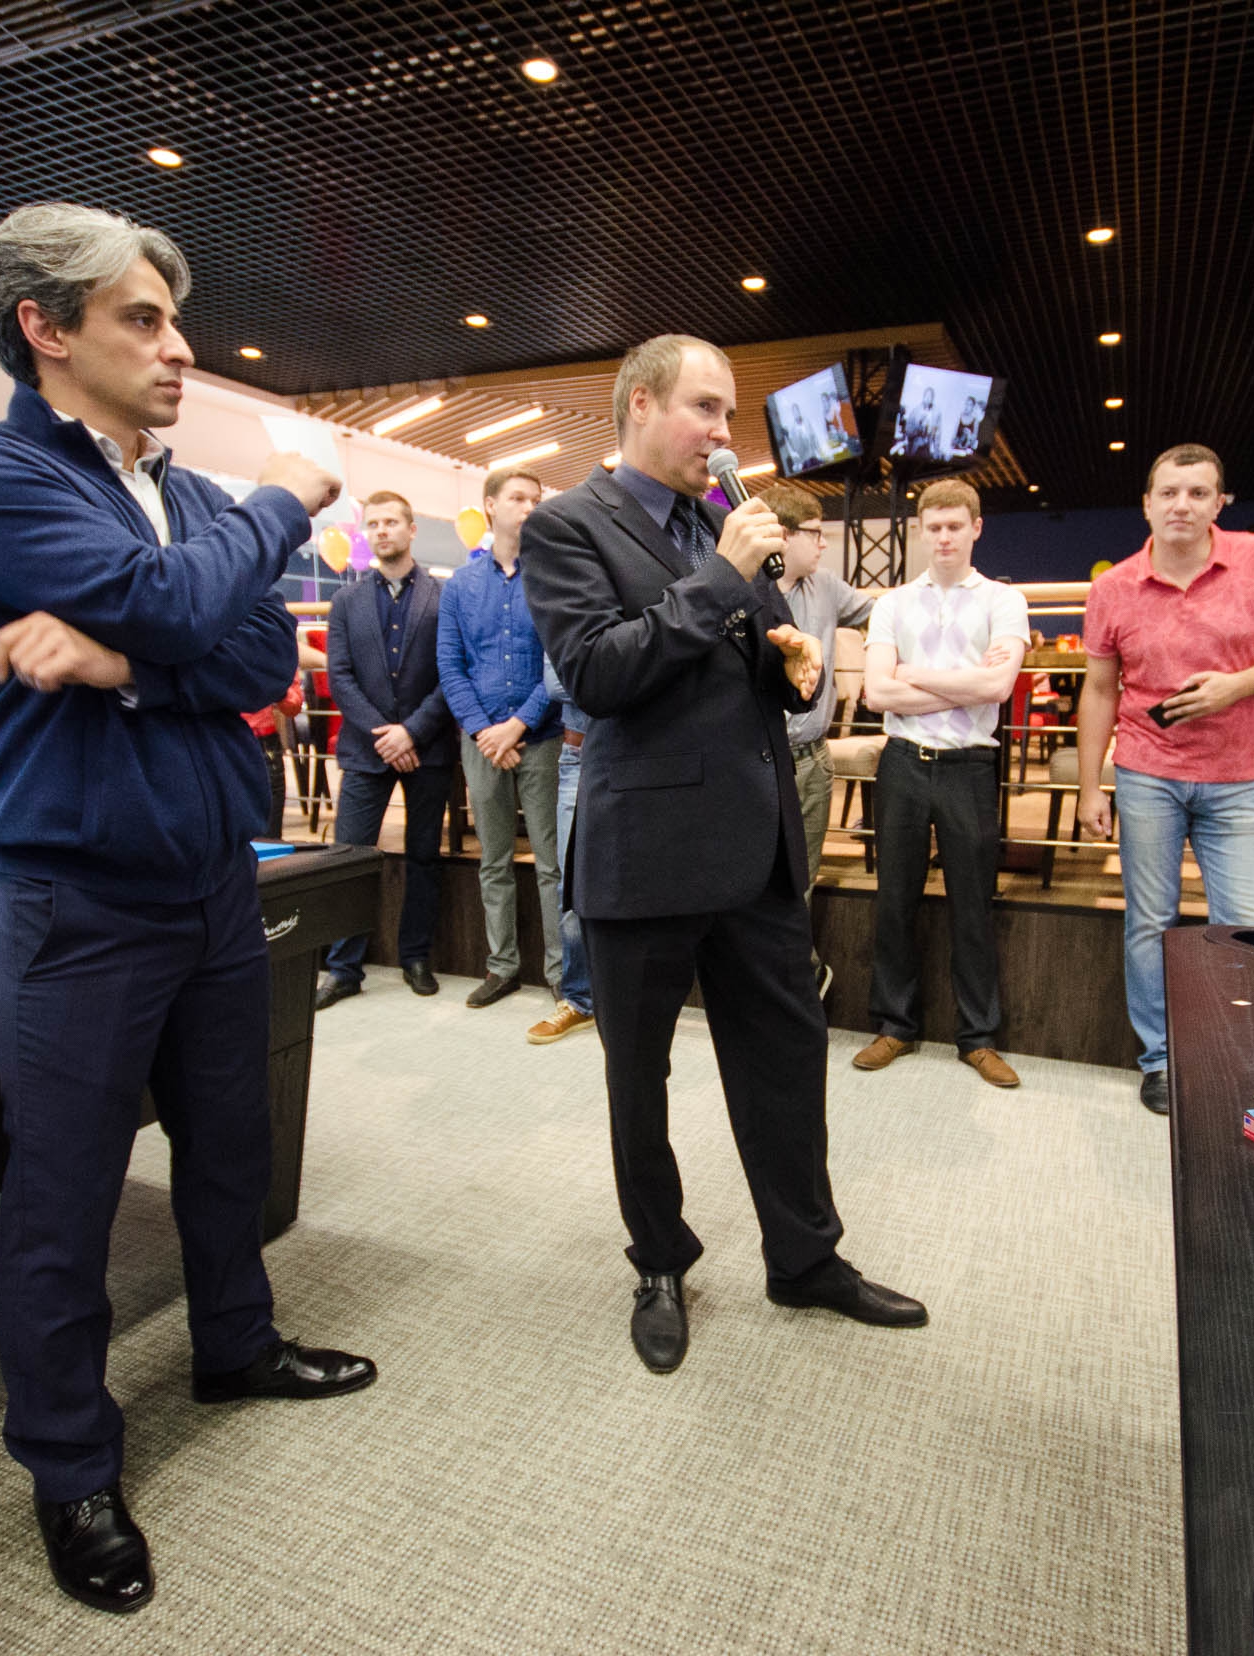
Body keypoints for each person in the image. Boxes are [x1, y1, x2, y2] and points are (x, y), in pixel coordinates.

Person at [0, 201, 372, 1616]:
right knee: (65, 1194)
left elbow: (253, 658)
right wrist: (286, 500)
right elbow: (176, 605)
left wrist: (123, 664)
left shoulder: (192, 496)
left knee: (231, 1146)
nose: (180, 349)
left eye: (177, 321)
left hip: (213, 878)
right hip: (75, 898)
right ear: (44, 328)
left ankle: (236, 1345)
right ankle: (70, 1468)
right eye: (142, 320)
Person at [523, 333, 927, 1375]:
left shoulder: (718, 522)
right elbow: (598, 676)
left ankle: (806, 1258)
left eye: (729, 412)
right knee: (639, 1080)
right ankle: (659, 1261)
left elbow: (743, 658)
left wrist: (790, 665)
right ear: (641, 403)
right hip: (644, 853)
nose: (723, 431)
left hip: (756, 852)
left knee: (787, 1061)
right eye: (705, 407)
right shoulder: (569, 525)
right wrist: (723, 576)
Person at [1074, 444, 1254, 1115]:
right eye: (1169, 493)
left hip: (1237, 776)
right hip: (1147, 772)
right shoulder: (1114, 586)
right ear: (1147, 504)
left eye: (1198, 493)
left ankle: (1240, 1055)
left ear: (1219, 503)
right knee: (1150, 920)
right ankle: (1160, 1059)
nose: (1182, 505)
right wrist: (1091, 787)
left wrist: (1236, 686)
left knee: (1246, 924)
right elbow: (1100, 690)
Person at [851, 479, 1027, 1089]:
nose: (945, 537)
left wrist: (911, 674)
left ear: (976, 528)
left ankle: (978, 1038)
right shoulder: (892, 604)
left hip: (969, 766)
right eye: (935, 527)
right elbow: (877, 693)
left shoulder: (1004, 601)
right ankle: (894, 1026)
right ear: (921, 531)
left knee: (973, 906)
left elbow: (996, 687)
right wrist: (962, 683)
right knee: (894, 900)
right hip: (903, 761)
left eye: (956, 526)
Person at [316, 490, 457, 1008]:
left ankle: (415, 957)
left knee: (423, 857)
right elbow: (339, 676)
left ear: (411, 529)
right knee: (349, 857)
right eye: (373, 524)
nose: (382, 531)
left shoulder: (445, 596)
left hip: (428, 746)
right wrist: (386, 734)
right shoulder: (345, 601)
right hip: (366, 748)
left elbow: (452, 673)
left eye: (391, 522)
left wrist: (412, 732)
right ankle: (343, 968)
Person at [438, 469, 564, 1009]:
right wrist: (485, 731)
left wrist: (518, 725)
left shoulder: (552, 579)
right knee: (493, 861)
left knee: (552, 864)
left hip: (542, 737)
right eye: (517, 498)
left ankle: (562, 973)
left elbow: (559, 661)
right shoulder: (460, 586)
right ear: (490, 505)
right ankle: (502, 967)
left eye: (536, 499)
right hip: (482, 741)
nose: (529, 507)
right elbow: (450, 666)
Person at [761, 478, 882, 997]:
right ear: (785, 536)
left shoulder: (827, 587)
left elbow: (885, 614)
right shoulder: (742, 586)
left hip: (811, 760)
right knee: (752, 879)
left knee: (800, 880)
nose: (823, 544)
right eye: (816, 533)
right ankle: (786, 981)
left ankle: (795, 986)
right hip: (755, 761)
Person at [526, 653, 598, 1044]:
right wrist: (628, 675)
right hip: (578, 754)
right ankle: (579, 1000)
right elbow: (557, 684)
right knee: (570, 882)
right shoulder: (567, 610)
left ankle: (632, 999)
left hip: (643, 755)